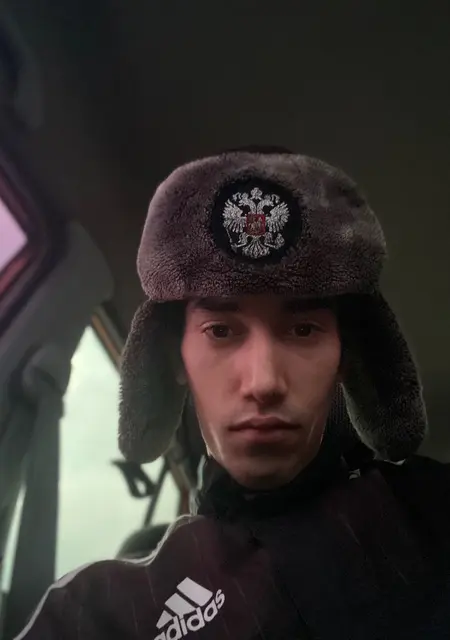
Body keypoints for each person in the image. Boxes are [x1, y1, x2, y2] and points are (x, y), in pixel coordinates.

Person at [14, 147, 450, 640]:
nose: (263, 382)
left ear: (345, 356)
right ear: (173, 358)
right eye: (220, 331)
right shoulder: (98, 612)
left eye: (303, 330)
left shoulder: (431, 510)